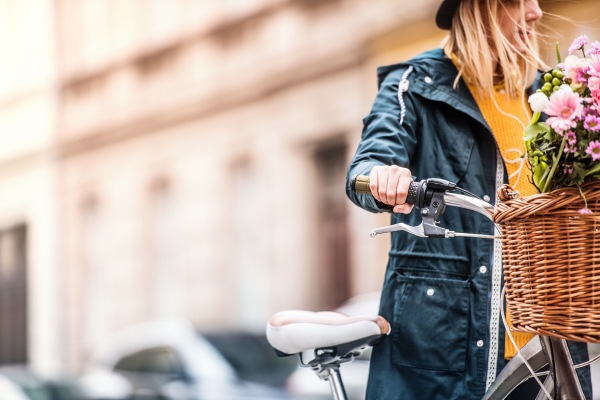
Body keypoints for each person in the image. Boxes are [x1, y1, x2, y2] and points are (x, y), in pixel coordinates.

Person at [346, 0, 592, 399]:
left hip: (548, 351)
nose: (535, 12)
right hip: (441, 355)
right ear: (478, 8)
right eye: (517, 0)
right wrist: (380, 177)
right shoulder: (413, 83)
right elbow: (371, 158)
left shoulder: (552, 98)